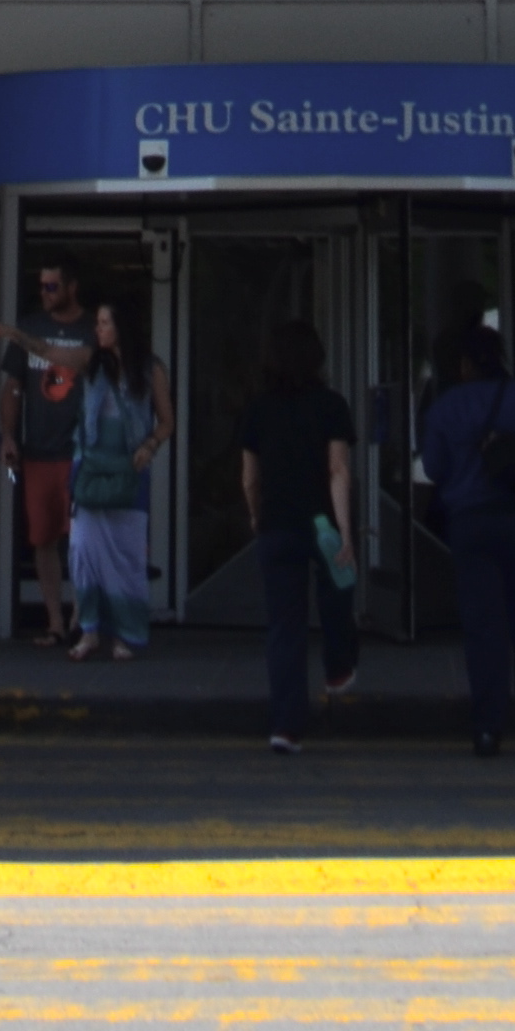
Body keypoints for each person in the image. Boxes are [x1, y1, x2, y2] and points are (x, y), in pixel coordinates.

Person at [419, 320, 515, 754]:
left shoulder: (445, 407)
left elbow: (434, 468)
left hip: (471, 523)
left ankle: (488, 725)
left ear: (464, 364)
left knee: (483, 625)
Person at [237, 311, 361, 752]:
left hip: (277, 523)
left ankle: (286, 726)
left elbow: (249, 479)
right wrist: (345, 530)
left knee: (284, 626)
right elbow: (338, 470)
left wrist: (256, 516)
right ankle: (338, 667)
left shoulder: (257, 410)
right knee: (339, 588)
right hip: (322, 521)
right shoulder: (332, 406)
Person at [0, 252, 91, 644]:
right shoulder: (31, 327)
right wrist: (8, 435)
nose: (45, 292)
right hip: (39, 453)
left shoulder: (91, 330)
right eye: (42, 286)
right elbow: (12, 386)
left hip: (80, 453)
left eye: (52, 286)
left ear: (71, 287)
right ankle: (54, 621)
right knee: (43, 538)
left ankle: (83, 617)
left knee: (81, 539)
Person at [66, 292, 170, 660]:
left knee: (126, 555)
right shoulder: (92, 361)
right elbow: (48, 352)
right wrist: (13, 335)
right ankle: (89, 630)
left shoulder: (150, 369)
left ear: (121, 327)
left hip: (129, 467)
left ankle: (125, 633)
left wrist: (149, 446)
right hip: (91, 465)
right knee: (82, 549)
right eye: (96, 323)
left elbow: (167, 421)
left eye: (103, 323)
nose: (97, 329)